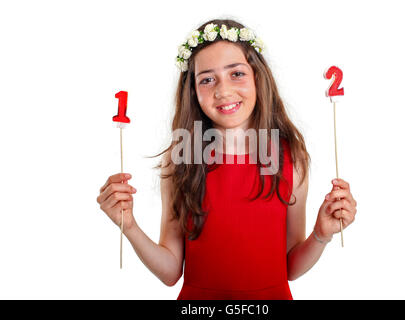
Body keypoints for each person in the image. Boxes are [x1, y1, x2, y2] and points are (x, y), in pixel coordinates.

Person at [96, 18, 357, 300]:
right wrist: (130, 226)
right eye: (207, 79)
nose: (222, 91)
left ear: (258, 77)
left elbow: (290, 267)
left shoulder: (290, 158)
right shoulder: (181, 160)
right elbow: (170, 271)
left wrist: (321, 234)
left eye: (236, 74)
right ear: (193, 91)